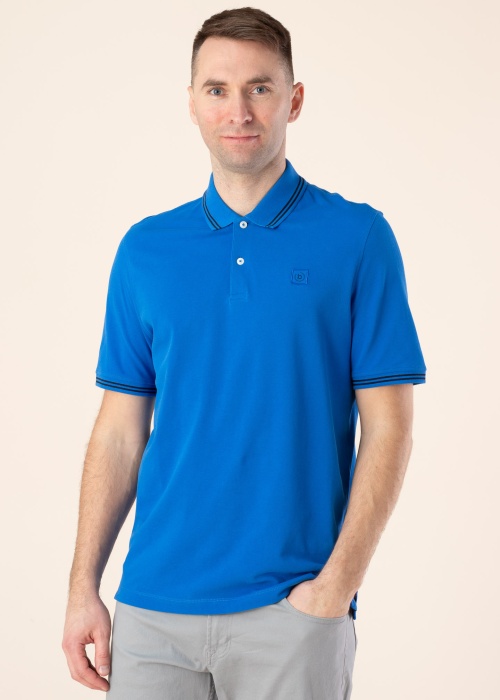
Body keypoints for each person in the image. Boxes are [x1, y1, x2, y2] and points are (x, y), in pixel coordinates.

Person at [62, 7, 426, 699]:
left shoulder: (358, 238)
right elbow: (119, 432)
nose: (239, 111)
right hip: (151, 612)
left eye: (260, 88)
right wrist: (84, 587)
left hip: (292, 611)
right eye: (217, 89)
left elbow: (390, 428)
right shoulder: (146, 250)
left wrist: (335, 589)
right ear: (192, 102)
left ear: (294, 99)